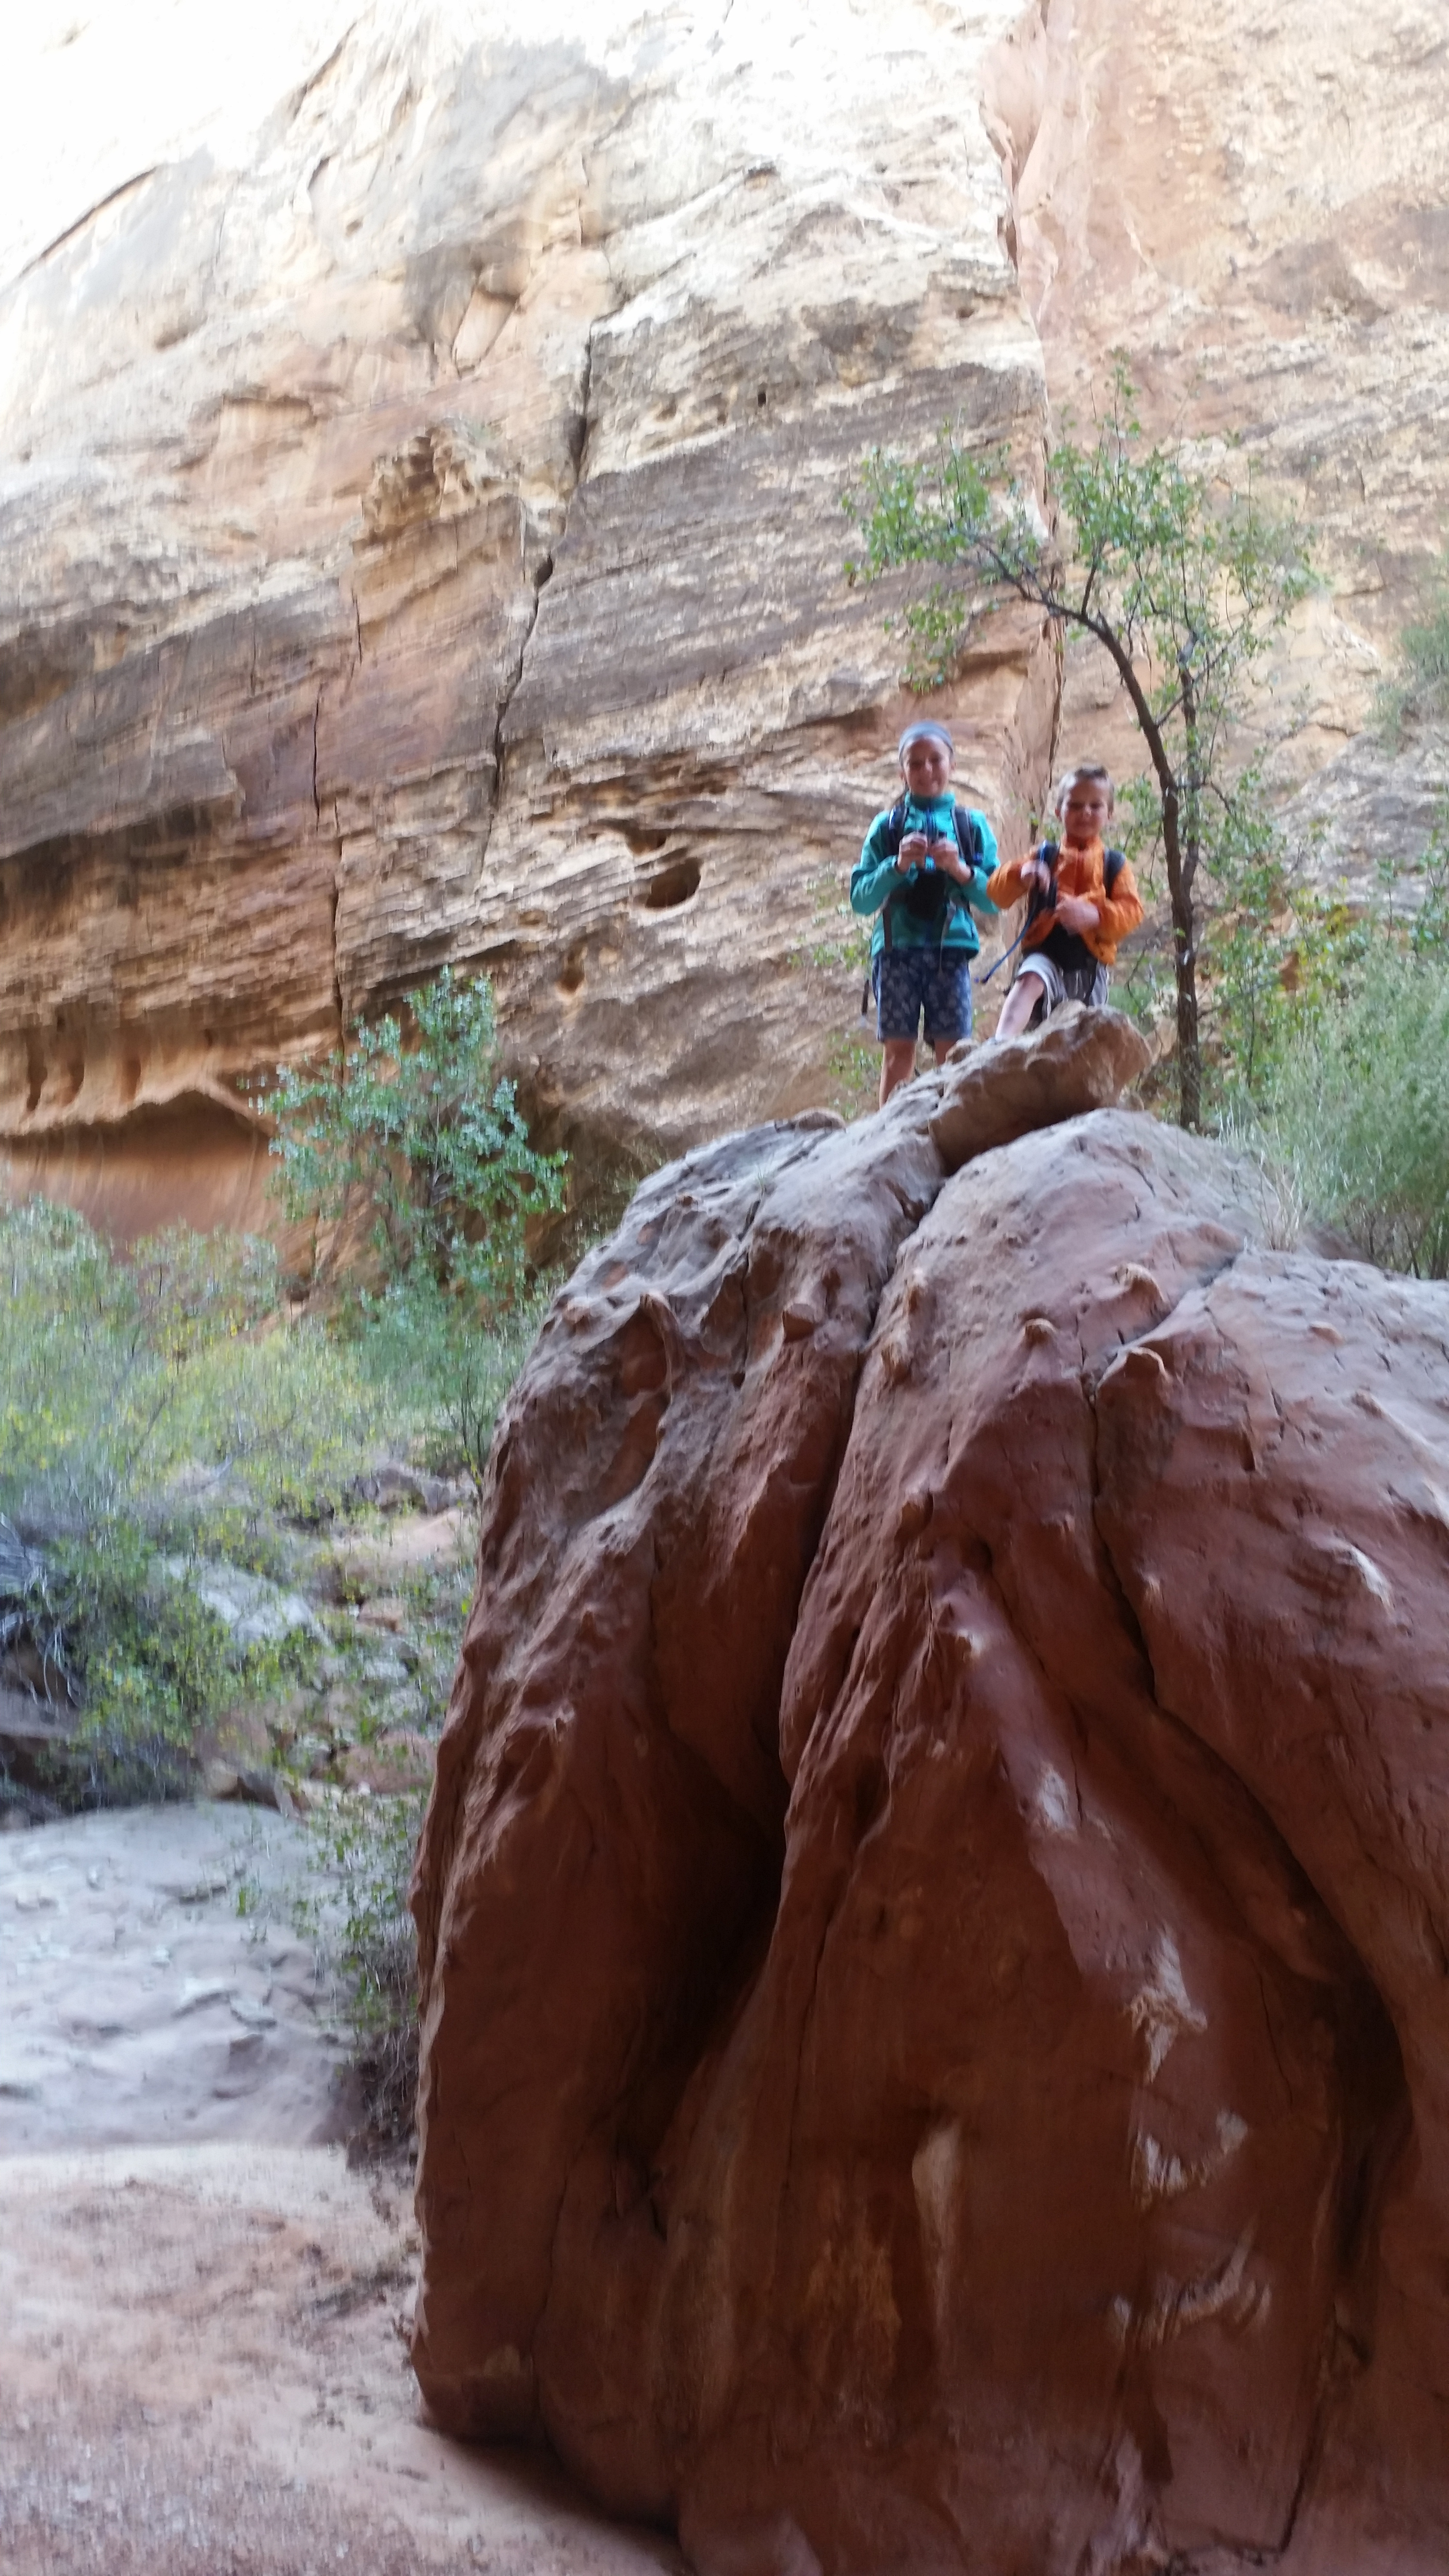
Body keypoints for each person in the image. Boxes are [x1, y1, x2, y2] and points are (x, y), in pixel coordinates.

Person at [851, 722, 999, 1106]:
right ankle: (889, 1139)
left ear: (952, 764)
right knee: (899, 1053)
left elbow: (995, 899)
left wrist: (960, 870)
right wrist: (897, 866)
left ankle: (951, 1132)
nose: (927, 770)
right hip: (896, 949)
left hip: (950, 950)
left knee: (952, 1054)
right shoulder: (888, 826)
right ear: (902, 772)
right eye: (915, 764)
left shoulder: (971, 826)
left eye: (936, 760)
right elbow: (861, 900)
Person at [986, 763, 1143, 1041]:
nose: (1085, 812)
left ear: (1110, 814)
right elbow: (997, 893)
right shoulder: (1044, 855)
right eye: (1075, 805)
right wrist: (1022, 875)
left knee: (1082, 1037)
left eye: (1096, 806)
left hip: (1090, 967)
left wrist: (1096, 916)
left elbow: (1132, 912)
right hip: (1045, 953)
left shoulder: (1114, 865)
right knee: (1029, 981)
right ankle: (1000, 1043)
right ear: (1059, 812)